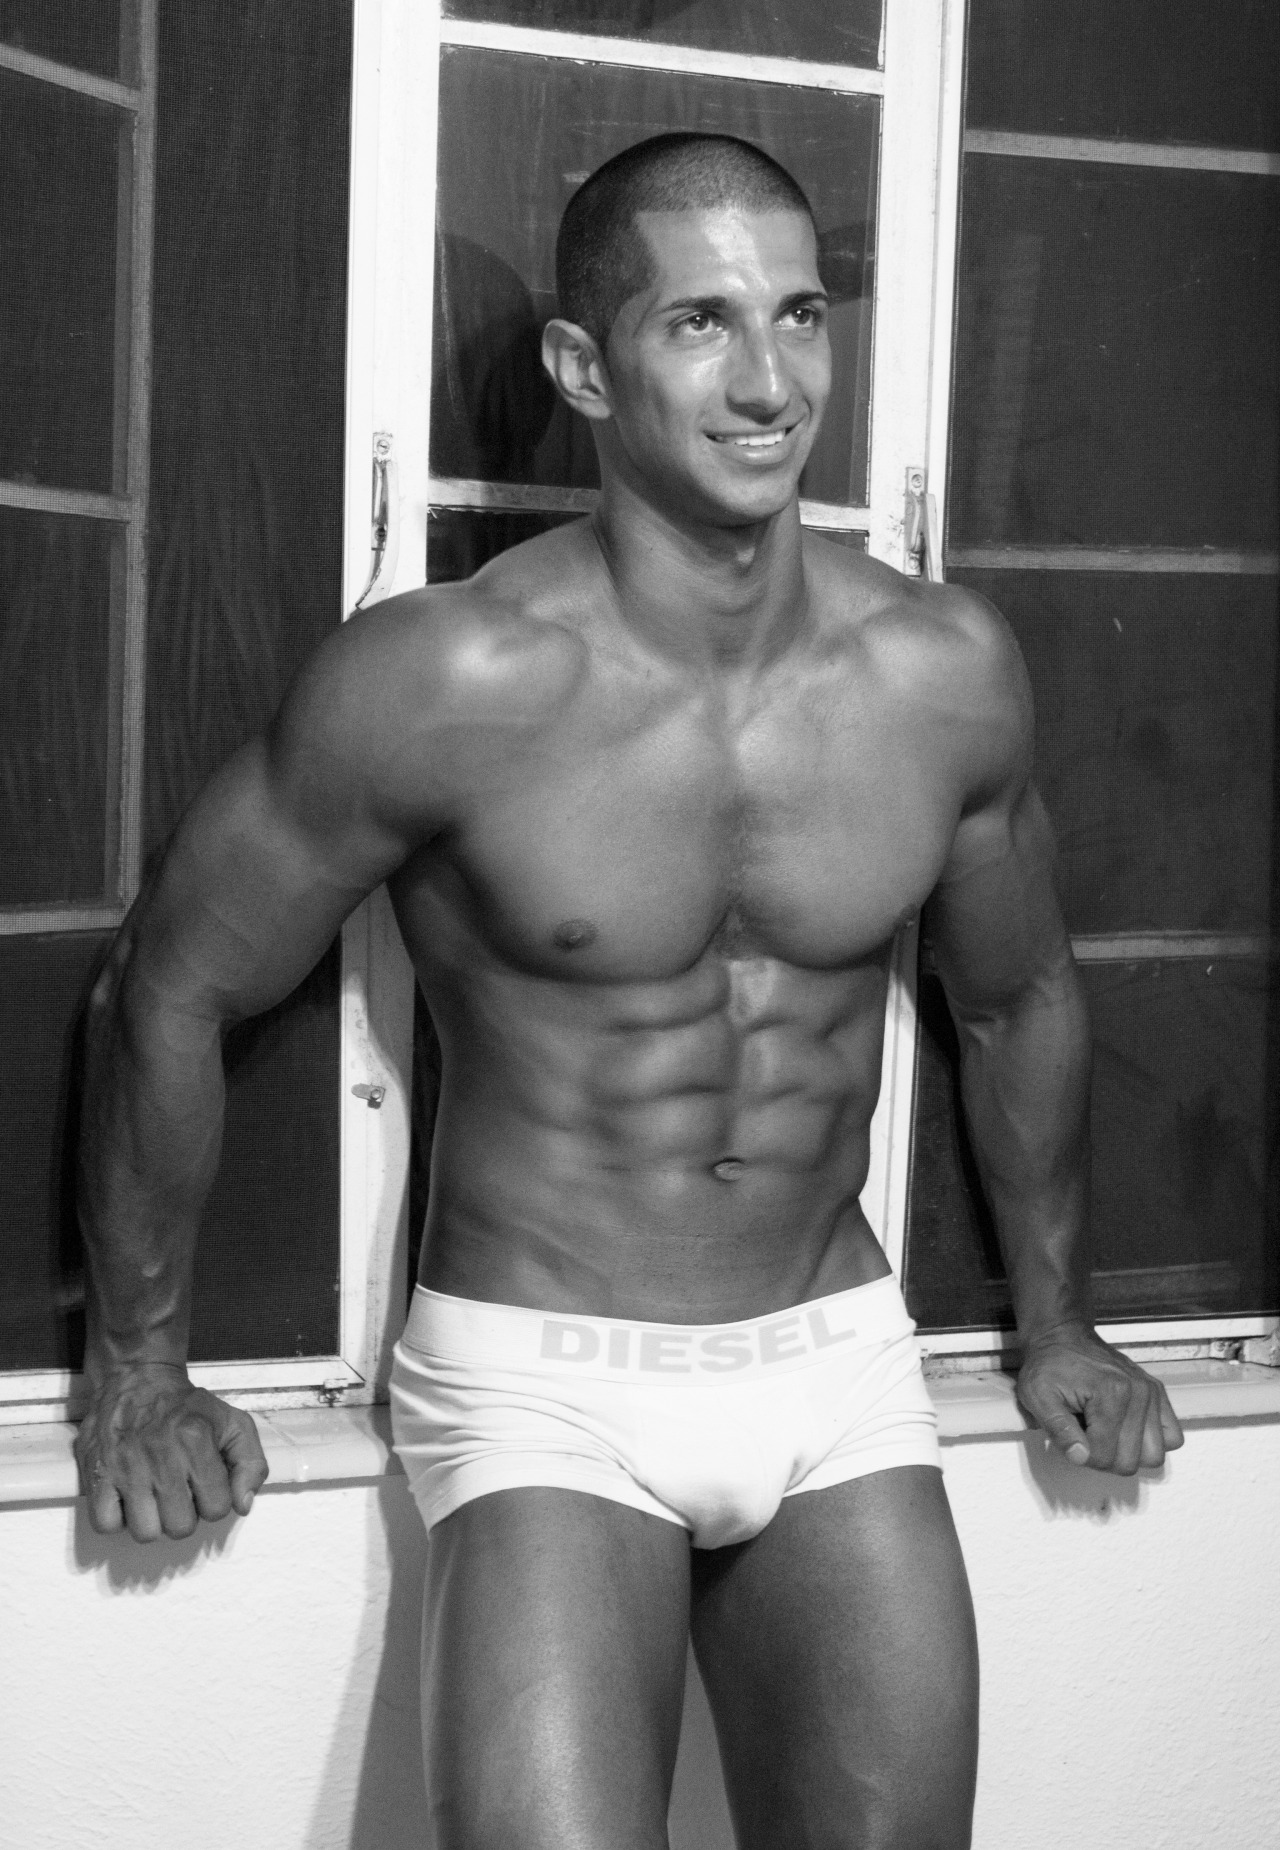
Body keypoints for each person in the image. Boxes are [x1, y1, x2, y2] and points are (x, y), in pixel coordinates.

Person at [76, 133, 1183, 1848]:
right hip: (546, 1386)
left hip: (835, 1362)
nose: (772, 383)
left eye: (800, 314)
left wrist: (1057, 1319)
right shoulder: (447, 677)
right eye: (701, 323)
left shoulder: (942, 672)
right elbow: (168, 984)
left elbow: (1018, 995)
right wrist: (139, 1365)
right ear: (585, 368)